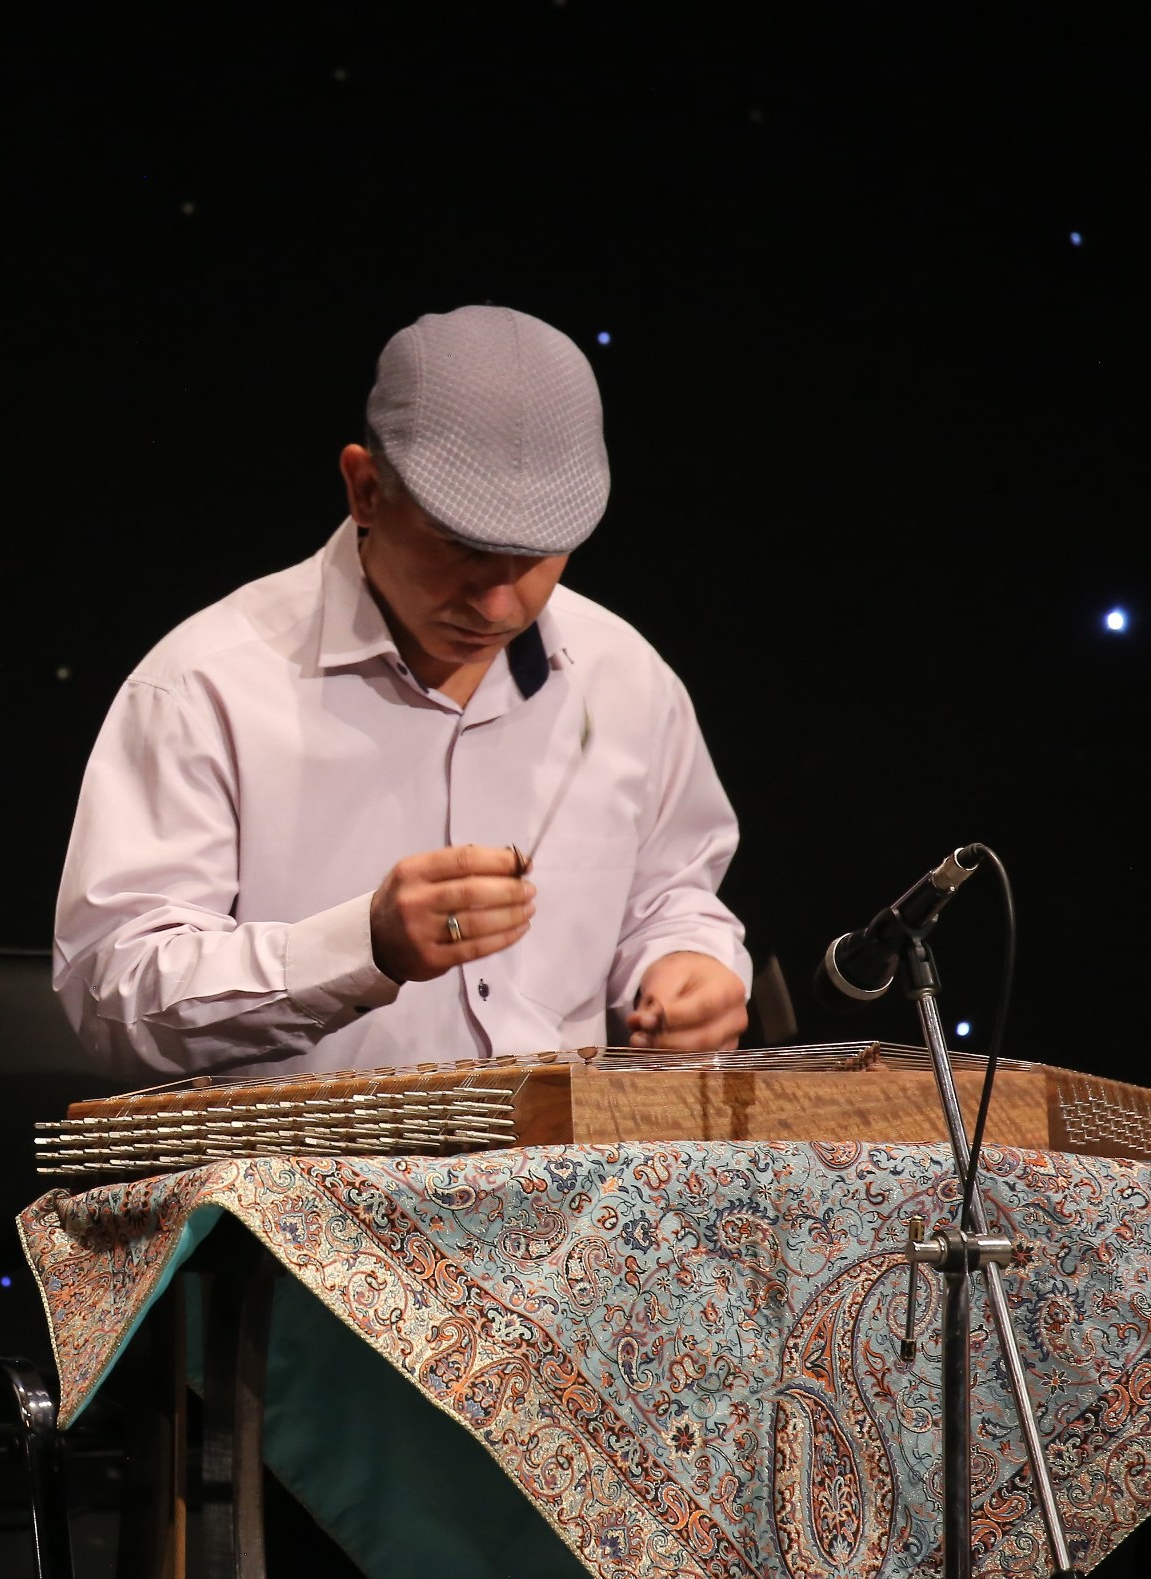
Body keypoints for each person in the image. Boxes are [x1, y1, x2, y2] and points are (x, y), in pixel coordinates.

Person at [55, 304, 751, 1084]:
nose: (499, 603)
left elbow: (672, 899)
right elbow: (112, 994)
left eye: (536, 555)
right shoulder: (206, 685)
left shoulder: (625, 676)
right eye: (461, 546)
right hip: (303, 1163)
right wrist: (364, 947)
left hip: (568, 1161)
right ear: (365, 489)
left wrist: (688, 964)